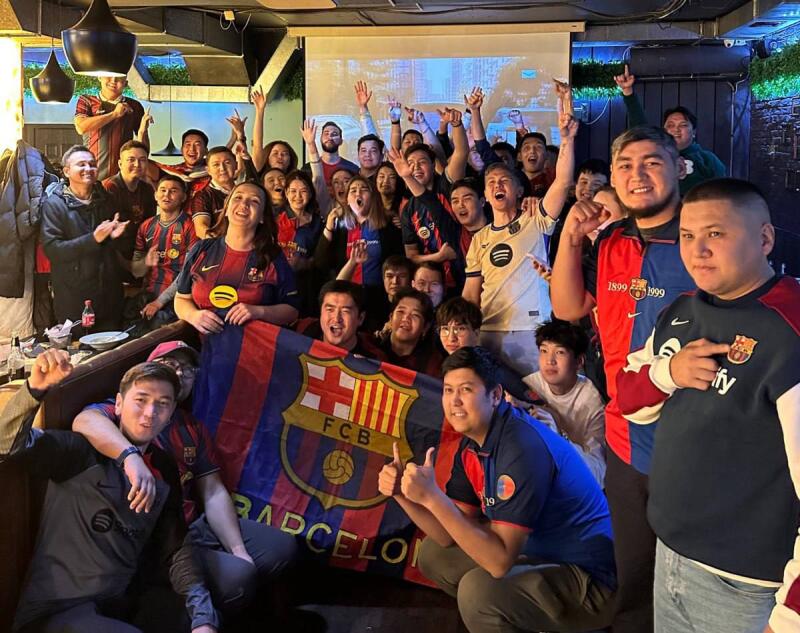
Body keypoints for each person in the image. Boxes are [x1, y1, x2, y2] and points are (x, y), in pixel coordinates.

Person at [613, 179, 800, 633]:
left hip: (747, 585)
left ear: (765, 238)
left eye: (716, 234)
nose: (697, 251)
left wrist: (791, 614)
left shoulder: (790, 331)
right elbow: (628, 399)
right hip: (672, 554)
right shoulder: (683, 310)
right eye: (687, 236)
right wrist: (668, 372)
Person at [550, 125, 695, 633]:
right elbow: (568, 307)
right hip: (626, 437)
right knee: (634, 571)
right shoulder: (609, 240)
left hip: (695, 439)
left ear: (680, 168)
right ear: (612, 177)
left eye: (652, 162)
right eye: (626, 165)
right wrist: (570, 236)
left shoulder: (702, 237)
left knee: (695, 572)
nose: (638, 175)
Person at [378, 346, 615, 633]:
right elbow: (445, 535)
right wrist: (401, 494)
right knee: (434, 555)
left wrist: (432, 496)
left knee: (479, 593)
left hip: (592, 578)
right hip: (542, 552)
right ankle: (522, 615)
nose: (454, 401)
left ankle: (541, 617)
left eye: (466, 389)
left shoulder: (521, 447)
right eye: (448, 390)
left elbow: (500, 562)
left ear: (495, 395)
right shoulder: (475, 440)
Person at [74, 341, 298, 617]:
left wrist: (238, 549)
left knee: (281, 547)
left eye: (188, 370)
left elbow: (213, 492)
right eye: (170, 365)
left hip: (194, 522)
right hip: (155, 536)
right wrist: (130, 456)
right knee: (238, 578)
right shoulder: (130, 411)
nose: (179, 374)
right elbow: (84, 420)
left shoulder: (191, 427)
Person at [2, 357, 219, 633]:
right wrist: (34, 389)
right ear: (118, 404)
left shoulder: (162, 466)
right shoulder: (80, 452)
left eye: (162, 404)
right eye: (141, 399)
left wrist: (203, 617)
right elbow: (7, 445)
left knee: (203, 614)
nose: (150, 412)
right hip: (57, 610)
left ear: (171, 412)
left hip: (121, 602)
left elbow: (175, 546)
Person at [462, 109, 577, 377]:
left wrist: (567, 140)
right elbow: (470, 294)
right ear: (486, 197)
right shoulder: (480, 238)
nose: (496, 185)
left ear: (519, 191)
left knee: (538, 405)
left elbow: (562, 182)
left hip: (532, 330)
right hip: (489, 331)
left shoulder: (535, 219)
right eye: (490, 183)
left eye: (504, 181)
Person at [175, 181, 299, 334]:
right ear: (226, 209)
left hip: (252, 349)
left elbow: (292, 311)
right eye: (238, 198)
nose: (244, 204)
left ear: (261, 217)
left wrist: (258, 312)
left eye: (254, 201)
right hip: (202, 348)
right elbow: (181, 299)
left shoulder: (273, 257)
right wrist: (193, 315)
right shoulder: (201, 249)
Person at [41, 145, 128, 330]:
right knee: (80, 353)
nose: (88, 169)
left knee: (113, 353)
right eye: (81, 164)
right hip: (74, 298)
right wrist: (93, 239)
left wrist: (117, 236)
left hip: (110, 296)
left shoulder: (105, 198)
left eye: (92, 164)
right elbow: (53, 250)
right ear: (66, 171)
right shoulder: (54, 204)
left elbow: (115, 247)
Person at [614, 65, 726, 195]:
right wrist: (628, 92)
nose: (676, 129)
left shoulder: (708, 159)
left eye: (683, 125)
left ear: (694, 132)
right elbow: (640, 130)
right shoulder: (656, 156)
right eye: (670, 125)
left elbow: (723, 194)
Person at [390, 106, 469, 290]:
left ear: (433, 165)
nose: (416, 168)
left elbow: (461, 153)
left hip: (466, 272)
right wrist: (438, 257)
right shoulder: (409, 209)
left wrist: (456, 125)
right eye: (411, 164)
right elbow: (411, 256)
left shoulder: (447, 185)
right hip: (431, 284)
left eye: (422, 162)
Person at [522, 319, 606, 486]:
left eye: (559, 352)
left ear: (579, 362)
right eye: (544, 351)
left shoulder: (592, 400)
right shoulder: (529, 387)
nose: (549, 361)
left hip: (575, 485)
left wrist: (559, 436)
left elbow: (598, 473)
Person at [323, 176, 403, 305]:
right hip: (346, 295)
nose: (358, 193)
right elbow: (321, 262)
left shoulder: (388, 224)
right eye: (353, 190)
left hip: (379, 296)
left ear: (372, 197)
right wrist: (328, 227)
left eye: (364, 189)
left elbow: (397, 261)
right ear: (347, 200)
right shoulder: (339, 227)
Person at [132, 175, 197, 328]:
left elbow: (188, 272)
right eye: (163, 190)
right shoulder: (146, 226)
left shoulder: (190, 226)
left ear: (183, 197)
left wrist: (159, 302)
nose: (166, 195)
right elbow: (136, 272)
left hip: (175, 299)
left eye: (173, 191)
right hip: (146, 297)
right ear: (156, 195)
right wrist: (144, 263)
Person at [74, 75, 146, 179]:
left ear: (126, 82)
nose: (113, 80)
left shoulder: (134, 106)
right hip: (91, 176)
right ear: (99, 77)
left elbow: (143, 149)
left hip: (122, 178)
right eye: (109, 75)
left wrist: (144, 131)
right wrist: (114, 114)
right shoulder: (86, 100)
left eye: (119, 77)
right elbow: (81, 127)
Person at [365, 287, 443, 377]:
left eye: (415, 315)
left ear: (425, 327)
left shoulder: (433, 364)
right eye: (401, 311)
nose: (406, 318)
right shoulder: (369, 347)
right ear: (391, 318)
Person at [276, 170, 323, 317]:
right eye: (293, 191)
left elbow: (322, 256)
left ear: (310, 193)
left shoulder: (318, 222)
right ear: (286, 193)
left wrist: (307, 263)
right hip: (277, 280)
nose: (298, 196)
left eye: (303, 191)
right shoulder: (274, 217)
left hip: (307, 283)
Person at [102, 139, 157, 262]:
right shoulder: (109, 187)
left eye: (142, 160)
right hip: (113, 252)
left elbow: (149, 224)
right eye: (131, 160)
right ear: (120, 164)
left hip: (138, 249)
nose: (137, 165)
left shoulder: (147, 189)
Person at [295, 280, 375, 355]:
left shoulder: (374, 362)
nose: (336, 319)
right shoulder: (302, 330)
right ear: (321, 313)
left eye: (345, 311)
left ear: (360, 318)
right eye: (330, 310)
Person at [190, 146, 237, 239]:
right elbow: (201, 228)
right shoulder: (203, 195)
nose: (222, 168)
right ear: (208, 170)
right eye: (216, 165)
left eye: (227, 163)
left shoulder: (245, 191)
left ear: (236, 165)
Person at [251, 86, 298, 174]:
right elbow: (257, 145)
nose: (280, 156)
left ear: (290, 161)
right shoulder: (259, 174)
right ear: (267, 158)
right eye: (275, 153)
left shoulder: (295, 181)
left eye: (285, 154)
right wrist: (260, 111)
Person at [301, 121, 359, 185]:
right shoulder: (307, 169)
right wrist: (311, 143)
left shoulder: (352, 169)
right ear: (320, 139)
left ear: (341, 141)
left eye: (334, 134)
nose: (330, 137)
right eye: (326, 134)